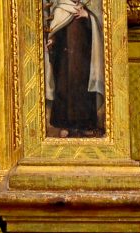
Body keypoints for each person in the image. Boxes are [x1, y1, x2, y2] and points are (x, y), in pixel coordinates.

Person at [45, 0, 105, 136]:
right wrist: (51, 41)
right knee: (65, 89)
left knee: (82, 90)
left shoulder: (85, 10)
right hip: (65, 62)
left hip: (83, 61)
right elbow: (54, 32)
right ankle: (64, 125)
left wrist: (88, 17)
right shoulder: (60, 10)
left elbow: (97, 33)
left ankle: (85, 125)